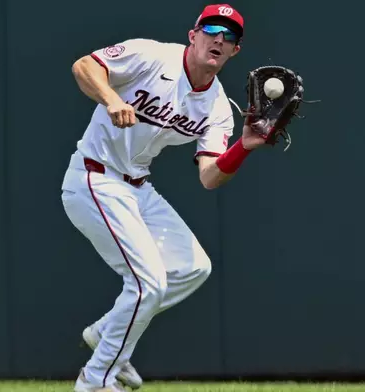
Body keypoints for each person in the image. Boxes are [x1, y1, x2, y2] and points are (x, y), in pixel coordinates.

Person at [61, 4, 267, 391]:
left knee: (193, 269)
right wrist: (111, 99)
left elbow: (209, 176)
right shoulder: (151, 54)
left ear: (235, 50)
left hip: (137, 186)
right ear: (194, 35)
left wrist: (244, 145)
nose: (218, 39)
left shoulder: (218, 106)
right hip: (94, 178)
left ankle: (107, 334)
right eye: (211, 30)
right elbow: (83, 67)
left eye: (229, 36)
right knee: (147, 284)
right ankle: (95, 380)